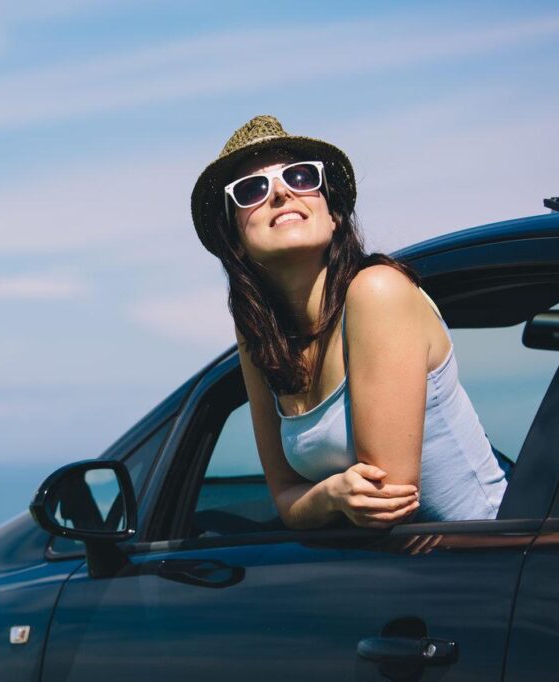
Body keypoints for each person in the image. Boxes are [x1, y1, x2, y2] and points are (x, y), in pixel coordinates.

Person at [189, 115, 508, 529]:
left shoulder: (377, 292)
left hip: (495, 552)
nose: (282, 193)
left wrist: (325, 499)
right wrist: (331, 494)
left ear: (334, 212)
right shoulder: (258, 335)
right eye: (252, 189)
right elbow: (286, 500)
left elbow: (385, 501)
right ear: (235, 240)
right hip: (405, 572)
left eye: (300, 177)